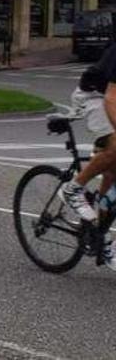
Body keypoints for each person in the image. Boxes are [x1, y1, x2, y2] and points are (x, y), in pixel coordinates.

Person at [61, 45, 116, 269]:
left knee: (113, 173)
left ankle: (99, 235)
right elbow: (111, 98)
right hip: (95, 95)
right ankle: (72, 188)